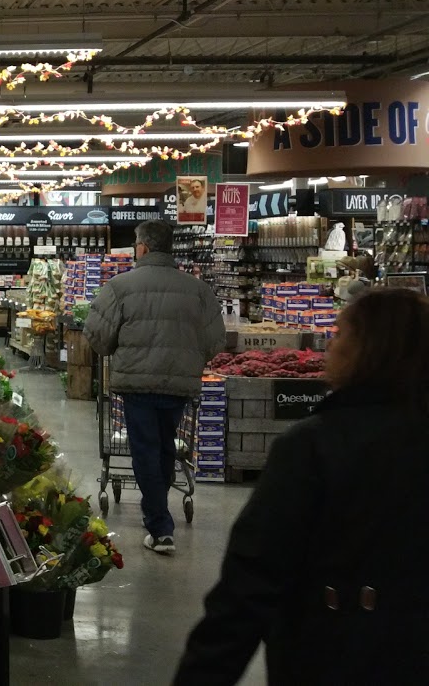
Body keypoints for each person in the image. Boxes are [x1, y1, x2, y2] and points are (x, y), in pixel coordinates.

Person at [174, 288, 429, 685]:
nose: (330, 346)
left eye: (341, 335)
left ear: (368, 350)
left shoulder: (314, 446)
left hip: (333, 651)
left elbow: (251, 580)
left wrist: (203, 673)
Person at [85, 219, 225, 555]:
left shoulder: (120, 287)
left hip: (137, 384)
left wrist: (118, 348)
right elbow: (216, 340)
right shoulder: (198, 290)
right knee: (164, 447)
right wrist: (187, 358)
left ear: (143, 247)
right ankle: (159, 515)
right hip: (178, 385)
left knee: (146, 449)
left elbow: (97, 335)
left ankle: (161, 526)